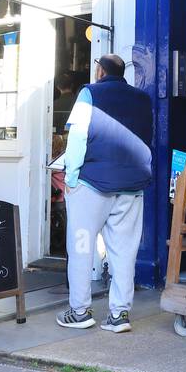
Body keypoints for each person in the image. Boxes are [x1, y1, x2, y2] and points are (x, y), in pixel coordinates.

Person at [57, 53, 153, 333]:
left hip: (92, 183)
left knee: (82, 247)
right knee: (124, 251)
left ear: (99, 71)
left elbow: (77, 137)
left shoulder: (89, 93)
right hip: (132, 184)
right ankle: (119, 316)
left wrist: (71, 178)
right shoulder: (143, 99)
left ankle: (80, 311)